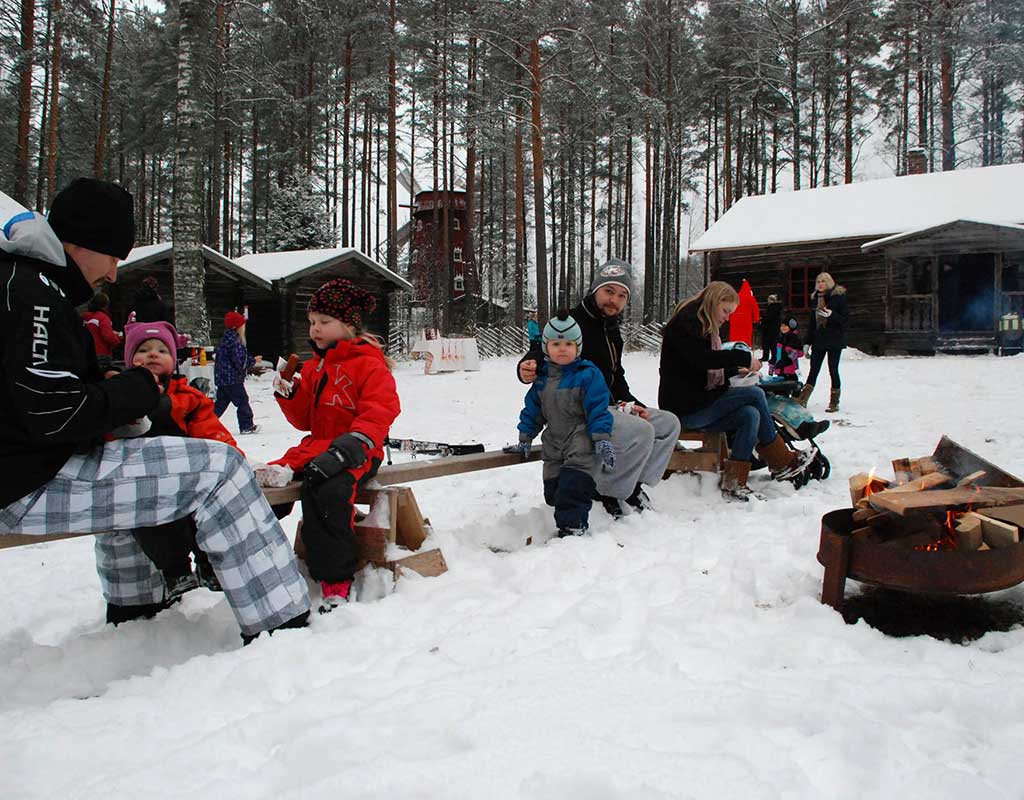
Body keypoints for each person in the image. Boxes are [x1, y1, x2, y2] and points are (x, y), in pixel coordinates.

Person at [0, 177, 310, 643]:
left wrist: (103, 388)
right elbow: (53, 414)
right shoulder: (30, 294)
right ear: (84, 242)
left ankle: (137, 615)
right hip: (23, 480)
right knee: (221, 468)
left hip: (22, 468)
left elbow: (32, 393)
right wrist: (136, 388)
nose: (113, 273)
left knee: (141, 454)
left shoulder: (26, 282)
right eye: (113, 257)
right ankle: (282, 624)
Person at [260, 278, 401, 613]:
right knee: (261, 485)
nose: (315, 329)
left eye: (325, 322)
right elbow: (305, 421)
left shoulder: (369, 364)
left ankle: (335, 579)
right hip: (315, 446)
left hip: (359, 450)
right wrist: (290, 396)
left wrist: (350, 446)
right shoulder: (314, 366)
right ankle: (263, 562)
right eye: (312, 322)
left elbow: (381, 409)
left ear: (349, 325)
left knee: (327, 491)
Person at [518, 259, 681, 518]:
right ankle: (607, 492)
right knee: (642, 432)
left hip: (610, 405)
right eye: (609, 291)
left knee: (667, 424)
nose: (613, 300)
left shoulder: (612, 329)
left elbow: (616, 377)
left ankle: (633, 484)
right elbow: (542, 350)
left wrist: (632, 404)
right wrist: (526, 366)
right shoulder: (572, 320)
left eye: (621, 295)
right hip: (581, 412)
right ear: (596, 289)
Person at [103, 320, 241, 610]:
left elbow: (213, 433)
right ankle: (176, 571)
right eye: (143, 350)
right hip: (142, 483)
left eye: (161, 350)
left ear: (173, 360)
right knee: (151, 518)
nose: (153, 354)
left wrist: (231, 460)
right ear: (129, 359)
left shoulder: (188, 397)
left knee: (205, 512)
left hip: (188, 480)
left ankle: (207, 562)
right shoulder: (118, 396)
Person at [658, 281, 820, 502]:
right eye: (725, 311)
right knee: (755, 395)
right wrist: (742, 358)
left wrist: (736, 369)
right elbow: (702, 360)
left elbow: (701, 363)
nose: (727, 317)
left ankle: (735, 483)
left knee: (749, 415)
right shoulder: (687, 322)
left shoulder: (701, 322)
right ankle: (781, 461)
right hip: (684, 407)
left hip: (699, 401)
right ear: (714, 301)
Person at [516, 311, 616, 538]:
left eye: (569, 343)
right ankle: (571, 504)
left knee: (573, 486)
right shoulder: (542, 379)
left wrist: (601, 439)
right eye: (556, 343)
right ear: (546, 347)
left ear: (578, 347)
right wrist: (525, 436)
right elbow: (533, 411)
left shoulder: (588, 375)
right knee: (553, 493)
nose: (563, 348)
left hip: (580, 437)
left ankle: (573, 528)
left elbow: (598, 409)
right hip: (553, 441)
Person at [798, 272, 849, 413]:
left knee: (833, 370)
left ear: (829, 282)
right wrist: (807, 342)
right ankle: (803, 399)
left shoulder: (838, 298)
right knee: (813, 369)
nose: (820, 284)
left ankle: (834, 401)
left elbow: (845, 320)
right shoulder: (816, 298)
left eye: (823, 281)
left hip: (834, 339)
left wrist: (832, 315)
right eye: (818, 281)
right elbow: (812, 323)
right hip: (819, 339)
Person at [214, 310, 258, 434]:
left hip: (222, 379)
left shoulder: (225, 339)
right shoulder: (235, 342)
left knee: (220, 404)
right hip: (232, 379)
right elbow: (239, 362)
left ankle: (204, 422)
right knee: (242, 400)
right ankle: (246, 426)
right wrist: (253, 361)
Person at [81, 290, 122, 371]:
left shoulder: (84, 317)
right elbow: (108, 336)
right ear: (105, 305)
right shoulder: (103, 318)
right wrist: (118, 339)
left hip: (85, 352)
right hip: (102, 353)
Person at [728, 278, 760, 348]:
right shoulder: (750, 298)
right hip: (746, 320)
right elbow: (755, 309)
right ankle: (745, 349)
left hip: (735, 319)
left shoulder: (735, 297)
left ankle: (734, 349)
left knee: (735, 335)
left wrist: (729, 318)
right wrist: (755, 319)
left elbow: (730, 308)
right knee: (745, 336)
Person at [761, 293, 782, 363]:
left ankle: (770, 357)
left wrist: (763, 318)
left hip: (771, 328)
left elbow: (769, 317)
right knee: (770, 343)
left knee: (770, 343)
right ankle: (770, 356)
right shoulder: (774, 307)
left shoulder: (773, 307)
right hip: (772, 328)